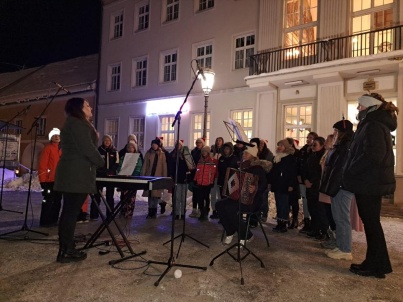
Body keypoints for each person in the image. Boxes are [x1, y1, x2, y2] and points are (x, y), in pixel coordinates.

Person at [343, 93, 398, 278]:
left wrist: (351, 169)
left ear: (371, 107)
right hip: (369, 181)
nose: (358, 110)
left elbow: (373, 155)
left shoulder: (373, 125)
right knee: (372, 224)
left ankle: (377, 265)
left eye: (360, 106)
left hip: (368, 182)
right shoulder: (373, 124)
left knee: (372, 224)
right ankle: (375, 263)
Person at [54, 97, 104, 263]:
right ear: (79, 108)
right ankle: (66, 250)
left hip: (73, 174)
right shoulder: (78, 124)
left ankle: (67, 248)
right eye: (87, 105)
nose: (90, 108)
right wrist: (101, 162)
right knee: (70, 213)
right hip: (76, 175)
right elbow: (87, 148)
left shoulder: (74, 123)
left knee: (69, 212)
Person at [216, 143, 272, 245]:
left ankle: (246, 235)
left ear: (252, 156)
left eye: (247, 153)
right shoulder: (241, 167)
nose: (244, 154)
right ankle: (230, 231)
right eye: (244, 153)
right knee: (219, 205)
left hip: (252, 201)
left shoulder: (258, 168)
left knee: (230, 208)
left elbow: (264, 185)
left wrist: (255, 188)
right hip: (238, 198)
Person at [320, 120, 355, 260]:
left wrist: (333, 186)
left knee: (342, 218)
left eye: (336, 131)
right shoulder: (341, 145)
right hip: (338, 186)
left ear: (341, 132)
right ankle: (341, 244)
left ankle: (345, 249)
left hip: (342, 186)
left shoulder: (346, 146)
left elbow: (340, 169)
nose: (334, 134)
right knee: (338, 217)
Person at [268, 139, 298, 233]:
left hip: (285, 185)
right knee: (279, 204)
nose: (279, 147)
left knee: (284, 204)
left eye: (281, 145)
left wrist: (291, 185)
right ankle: (279, 223)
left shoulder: (290, 158)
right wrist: (270, 182)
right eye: (279, 145)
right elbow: (273, 172)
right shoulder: (277, 158)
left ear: (286, 147)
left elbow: (292, 173)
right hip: (277, 184)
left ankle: (283, 224)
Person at [302, 136, 327, 240]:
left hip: (318, 187)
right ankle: (314, 229)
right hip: (310, 187)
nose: (312, 147)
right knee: (312, 209)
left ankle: (323, 231)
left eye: (315, 145)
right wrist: (306, 180)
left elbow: (321, 173)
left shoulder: (323, 156)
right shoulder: (311, 156)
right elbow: (305, 169)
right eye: (312, 145)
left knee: (320, 210)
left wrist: (313, 182)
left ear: (322, 145)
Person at [90, 135, 119, 220]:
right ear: (103, 141)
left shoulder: (114, 151)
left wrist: (111, 171)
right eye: (105, 140)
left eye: (108, 140)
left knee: (110, 196)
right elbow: (96, 163)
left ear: (111, 142)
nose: (107, 142)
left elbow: (116, 163)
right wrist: (101, 171)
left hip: (111, 176)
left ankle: (110, 214)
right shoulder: (99, 150)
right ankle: (94, 215)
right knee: (96, 195)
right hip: (100, 176)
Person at [38, 128, 63, 227]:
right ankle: (45, 220)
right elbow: (42, 165)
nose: (57, 137)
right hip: (49, 180)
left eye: (58, 135)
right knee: (48, 201)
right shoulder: (48, 148)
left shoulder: (62, 149)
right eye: (54, 135)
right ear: (51, 137)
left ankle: (54, 220)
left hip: (60, 181)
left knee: (57, 201)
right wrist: (43, 181)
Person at [141, 137, 168, 219]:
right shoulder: (148, 153)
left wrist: (164, 177)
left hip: (158, 177)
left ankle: (154, 211)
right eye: (153, 144)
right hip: (149, 176)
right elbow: (145, 165)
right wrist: (143, 175)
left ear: (158, 145)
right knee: (150, 195)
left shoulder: (162, 154)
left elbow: (164, 166)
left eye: (155, 144)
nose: (154, 146)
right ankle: (150, 211)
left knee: (155, 195)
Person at [297, 132, 318, 233]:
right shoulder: (303, 150)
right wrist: (300, 176)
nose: (309, 139)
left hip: (312, 181)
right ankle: (306, 221)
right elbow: (300, 164)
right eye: (308, 137)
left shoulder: (315, 151)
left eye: (311, 138)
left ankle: (314, 223)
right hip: (303, 179)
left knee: (312, 202)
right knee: (305, 201)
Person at [117, 141, 143, 218]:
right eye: (129, 147)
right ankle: (123, 211)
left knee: (131, 197)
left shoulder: (138, 158)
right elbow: (120, 166)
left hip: (133, 179)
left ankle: (129, 213)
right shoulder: (123, 157)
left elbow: (138, 168)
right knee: (124, 197)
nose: (130, 148)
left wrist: (133, 174)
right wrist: (122, 172)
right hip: (125, 178)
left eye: (132, 147)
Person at [214, 142, 238, 219]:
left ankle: (230, 216)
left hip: (231, 182)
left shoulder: (234, 158)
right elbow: (219, 170)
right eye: (224, 149)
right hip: (222, 181)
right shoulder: (221, 158)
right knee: (222, 199)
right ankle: (223, 217)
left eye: (227, 149)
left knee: (230, 200)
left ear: (231, 149)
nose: (226, 150)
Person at [194, 145, 217, 220]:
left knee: (206, 197)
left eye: (205, 151)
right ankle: (202, 212)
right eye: (203, 151)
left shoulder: (211, 161)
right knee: (200, 198)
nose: (204, 153)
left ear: (208, 152)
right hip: (200, 182)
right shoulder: (200, 161)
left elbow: (213, 172)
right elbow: (197, 171)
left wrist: (211, 181)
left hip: (207, 183)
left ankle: (206, 210)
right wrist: (195, 179)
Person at [168, 140, 189, 219]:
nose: (178, 146)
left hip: (184, 178)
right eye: (177, 145)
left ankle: (183, 213)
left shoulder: (185, 154)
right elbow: (171, 166)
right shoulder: (172, 155)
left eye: (179, 145)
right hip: (176, 178)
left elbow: (189, 166)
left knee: (183, 197)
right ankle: (176, 213)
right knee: (176, 197)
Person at [189, 138, 204, 218]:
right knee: (195, 193)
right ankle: (194, 209)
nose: (198, 144)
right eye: (197, 143)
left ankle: (200, 210)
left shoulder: (204, 152)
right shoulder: (193, 151)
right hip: (194, 174)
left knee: (200, 194)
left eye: (200, 143)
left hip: (201, 175)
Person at [209, 137, 224, 219]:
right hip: (213, 176)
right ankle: (214, 210)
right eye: (217, 140)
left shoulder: (224, 152)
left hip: (220, 176)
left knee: (220, 195)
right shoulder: (212, 151)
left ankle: (220, 210)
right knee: (213, 194)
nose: (218, 142)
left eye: (220, 140)